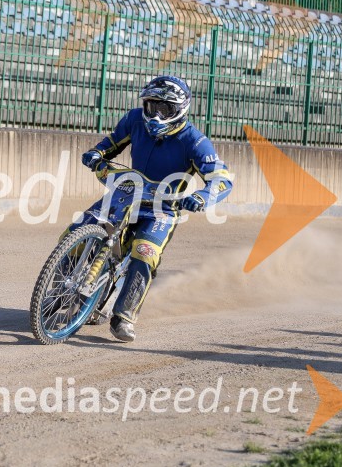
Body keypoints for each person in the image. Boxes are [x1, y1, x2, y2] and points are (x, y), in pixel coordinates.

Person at [78, 75, 233, 342]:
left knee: (144, 252)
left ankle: (124, 317)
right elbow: (111, 143)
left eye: (166, 109)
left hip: (163, 208)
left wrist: (201, 197)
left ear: (181, 109)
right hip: (125, 194)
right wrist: (97, 154)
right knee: (79, 229)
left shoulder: (195, 141)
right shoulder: (134, 120)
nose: (156, 115)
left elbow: (222, 180)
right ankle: (60, 285)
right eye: (152, 106)